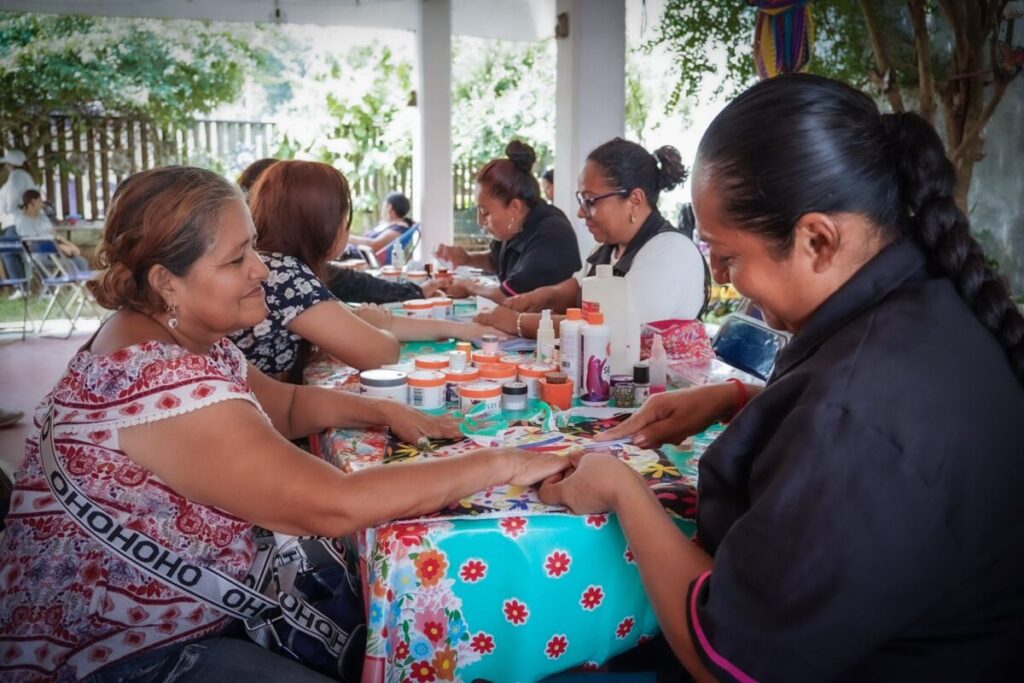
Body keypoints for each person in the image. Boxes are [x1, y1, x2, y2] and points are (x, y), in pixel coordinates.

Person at [538, 74, 1024, 682]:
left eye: (728, 257)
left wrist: (619, 488)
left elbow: (727, 656)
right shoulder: (926, 306)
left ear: (817, 240)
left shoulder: (856, 417)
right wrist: (737, 398)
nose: (722, 279)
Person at [0, 166, 569, 681]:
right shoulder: (160, 382)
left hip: (168, 613)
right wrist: (500, 462)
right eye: (236, 260)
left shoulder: (168, 335)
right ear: (166, 282)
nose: (261, 270)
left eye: (253, 246)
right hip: (120, 653)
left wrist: (383, 410)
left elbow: (288, 406)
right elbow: (335, 504)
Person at [229, 160, 502, 382]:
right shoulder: (285, 275)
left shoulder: (276, 266)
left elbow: (374, 321)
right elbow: (381, 354)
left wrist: (462, 329)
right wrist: (377, 325)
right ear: (322, 225)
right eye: (344, 217)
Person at [476, 138, 707, 338]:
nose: (581, 212)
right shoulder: (608, 247)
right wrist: (543, 297)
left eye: (591, 201)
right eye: (582, 200)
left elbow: (613, 330)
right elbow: (579, 286)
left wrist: (518, 322)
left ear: (635, 200)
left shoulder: (669, 252)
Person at [428, 141, 580, 304]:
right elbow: (496, 261)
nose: (479, 221)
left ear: (515, 207)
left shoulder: (552, 232)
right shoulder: (518, 224)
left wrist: (469, 287)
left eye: (485, 212)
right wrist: (466, 259)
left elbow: (510, 297)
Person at [16, 189, 90, 273]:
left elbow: (55, 234)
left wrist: (71, 246)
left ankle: (84, 281)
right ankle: (75, 282)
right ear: (32, 202)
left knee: (81, 261)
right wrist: (60, 247)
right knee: (69, 264)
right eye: (40, 201)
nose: (42, 204)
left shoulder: (42, 217)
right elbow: (34, 244)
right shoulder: (23, 222)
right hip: (39, 256)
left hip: (54, 252)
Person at [347, 191, 415, 262]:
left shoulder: (398, 228)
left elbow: (375, 244)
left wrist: (348, 238)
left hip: (358, 256)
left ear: (389, 207)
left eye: (384, 205)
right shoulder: (390, 225)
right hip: (353, 252)